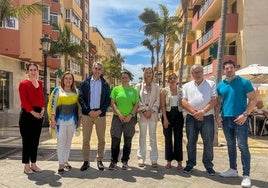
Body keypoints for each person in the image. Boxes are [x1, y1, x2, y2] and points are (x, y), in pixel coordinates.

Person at [215, 60, 257, 188]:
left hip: (240, 118)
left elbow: (253, 100)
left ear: (235, 69)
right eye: (226, 68)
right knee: (230, 145)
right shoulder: (220, 85)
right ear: (224, 70)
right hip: (226, 118)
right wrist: (217, 116)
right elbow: (218, 103)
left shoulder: (245, 82)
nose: (229, 70)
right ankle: (233, 169)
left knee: (243, 146)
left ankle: (246, 175)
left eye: (231, 68)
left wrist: (245, 115)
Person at [181, 65, 217, 175]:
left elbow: (214, 100)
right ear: (192, 74)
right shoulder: (187, 86)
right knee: (191, 142)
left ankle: (208, 165)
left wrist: (202, 112)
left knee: (208, 142)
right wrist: (194, 112)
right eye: (195, 72)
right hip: (191, 118)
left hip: (207, 117)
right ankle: (190, 164)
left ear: (203, 72)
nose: (197, 74)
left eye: (199, 72)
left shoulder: (211, 84)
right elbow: (183, 101)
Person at [78, 62, 111, 171]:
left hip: (100, 115)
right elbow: (81, 98)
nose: (97, 70)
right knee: (85, 139)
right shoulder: (85, 83)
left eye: (99, 69)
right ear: (92, 69)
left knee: (101, 139)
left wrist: (100, 111)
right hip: (87, 115)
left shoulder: (105, 84)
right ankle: (86, 161)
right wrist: (88, 111)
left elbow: (107, 100)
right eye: (96, 68)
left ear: (102, 71)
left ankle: (100, 160)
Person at [47, 71, 80, 173]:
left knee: (68, 142)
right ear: (63, 80)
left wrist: (80, 120)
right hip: (60, 122)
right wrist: (52, 120)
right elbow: (52, 105)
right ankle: (61, 164)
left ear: (72, 81)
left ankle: (66, 161)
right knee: (61, 142)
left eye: (70, 78)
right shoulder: (58, 90)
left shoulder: (76, 92)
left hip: (72, 122)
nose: (68, 80)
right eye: (66, 78)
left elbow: (79, 107)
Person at [108, 70, 139, 170]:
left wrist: (131, 115)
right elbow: (113, 103)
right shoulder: (116, 89)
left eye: (126, 77)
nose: (124, 79)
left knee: (128, 140)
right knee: (115, 140)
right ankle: (113, 161)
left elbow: (136, 104)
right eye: (123, 78)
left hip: (130, 119)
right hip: (117, 118)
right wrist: (119, 114)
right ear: (120, 79)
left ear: (129, 78)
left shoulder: (134, 91)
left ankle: (125, 161)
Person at [18, 62, 44, 174]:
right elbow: (24, 101)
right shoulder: (23, 84)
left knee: (35, 141)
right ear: (27, 71)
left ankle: (33, 164)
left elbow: (42, 98)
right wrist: (34, 113)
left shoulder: (40, 83)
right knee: (27, 141)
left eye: (35, 70)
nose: (33, 72)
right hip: (27, 115)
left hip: (39, 115)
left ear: (37, 71)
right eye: (31, 70)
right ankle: (26, 166)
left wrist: (43, 109)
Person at [136, 67, 160, 168]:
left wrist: (151, 111)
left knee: (153, 137)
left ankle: (154, 159)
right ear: (144, 74)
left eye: (150, 72)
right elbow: (137, 99)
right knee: (142, 136)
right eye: (147, 72)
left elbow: (157, 101)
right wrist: (144, 110)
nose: (149, 74)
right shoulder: (138, 86)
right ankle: (141, 158)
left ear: (153, 74)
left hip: (153, 115)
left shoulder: (157, 86)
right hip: (142, 115)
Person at [160, 73, 184, 170]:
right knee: (168, 139)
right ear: (168, 80)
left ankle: (179, 162)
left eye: (174, 78)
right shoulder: (164, 91)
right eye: (171, 78)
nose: (173, 80)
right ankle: (168, 161)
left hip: (178, 114)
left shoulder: (181, 91)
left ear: (177, 79)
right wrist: (165, 119)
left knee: (178, 138)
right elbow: (163, 106)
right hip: (167, 115)